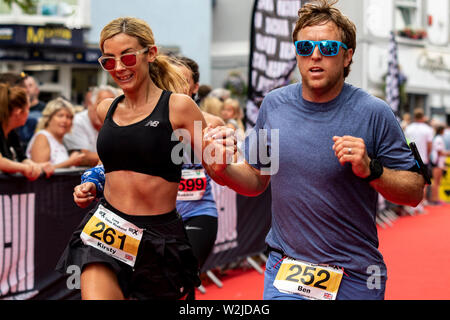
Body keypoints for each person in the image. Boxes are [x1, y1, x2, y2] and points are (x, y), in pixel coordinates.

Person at [205, 0, 425, 300]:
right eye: (305, 48)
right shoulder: (275, 104)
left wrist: (370, 169)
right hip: (286, 268)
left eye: (329, 48)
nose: (316, 56)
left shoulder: (374, 112)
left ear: (347, 56)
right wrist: (221, 170)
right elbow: (256, 179)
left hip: (356, 274)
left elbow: (414, 192)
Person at [56, 17, 233, 300]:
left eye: (127, 57)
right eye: (109, 62)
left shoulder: (179, 107)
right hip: (108, 226)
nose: (119, 68)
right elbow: (119, 163)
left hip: (159, 235)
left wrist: (227, 156)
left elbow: (218, 166)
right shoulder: (106, 109)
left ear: (151, 53)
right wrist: (92, 182)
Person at [0, 83, 52, 180]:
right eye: (28, 109)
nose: (29, 113)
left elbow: (22, 158)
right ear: (19, 112)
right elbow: (1, 162)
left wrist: (37, 166)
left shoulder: (12, 133)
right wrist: (24, 168)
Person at [63, 85, 120, 167]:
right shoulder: (77, 121)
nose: (105, 108)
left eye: (110, 105)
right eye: (100, 103)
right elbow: (83, 157)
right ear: (90, 104)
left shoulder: (115, 123)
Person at [26, 97, 85, 169]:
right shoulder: (42, 137)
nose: (65, 120)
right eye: (60, 116)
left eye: (69, 117)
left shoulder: (61, 140)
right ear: (49, 118)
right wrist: (70, 162)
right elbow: (41, 172)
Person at [404, 107, 434, 209]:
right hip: (423, 158)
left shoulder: (409, 128)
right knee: (423, 181)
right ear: (423, 117)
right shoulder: (428, 129)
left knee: (411, 180)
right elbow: (429, 145)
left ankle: (412, 203)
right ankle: (421, 202)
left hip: (410, 157)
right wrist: (428, 155)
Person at [18, 75, 47, 149]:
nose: (27, 89)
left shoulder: (45, 109)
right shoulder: (16, 108)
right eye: (24, 86)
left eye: (30, 85)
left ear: (37, 90)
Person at [430, 125, 450, 205]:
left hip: (439, 163)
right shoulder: (438, 139)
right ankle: (434, 199)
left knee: (438, 182)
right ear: (441, 130)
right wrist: (448, 153)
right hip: (437, 163)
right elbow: (439, 152)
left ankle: (436, 198)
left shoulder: (439, 138)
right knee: (436, 182)